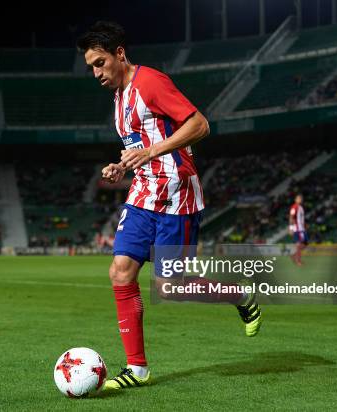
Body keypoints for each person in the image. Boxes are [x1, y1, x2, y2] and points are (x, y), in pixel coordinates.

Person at [77, 21, 262, 391]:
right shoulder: (118, 98)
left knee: (171, 286)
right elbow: (140, 143)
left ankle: (239, 293)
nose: (95, 73)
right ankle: (137, 369)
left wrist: (151, 151)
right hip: (144, 192)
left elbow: (200, 124)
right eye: (90, 67)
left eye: (100, 63)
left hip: (178, 194)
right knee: (120, 272)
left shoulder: (150, 82)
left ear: (119, 54)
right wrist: (122, 164)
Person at [288, 194, 307, 266]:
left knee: (305, 244)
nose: (300, 199)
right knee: (299, 245)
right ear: (295, 199)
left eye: (301, 198)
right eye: (298, 198)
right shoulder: (294, 207)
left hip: (302, 229)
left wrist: (304, 227)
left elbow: (301, 218)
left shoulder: (301, 207)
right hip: (297, 228)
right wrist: (290, 228)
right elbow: (291, 217)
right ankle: (298, 261)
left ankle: (293, 256)